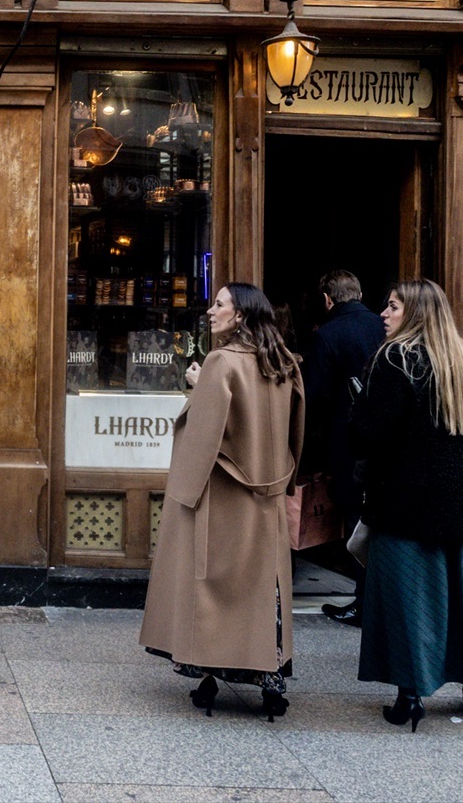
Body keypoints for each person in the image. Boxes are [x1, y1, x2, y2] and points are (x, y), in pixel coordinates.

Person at [140, 283, 307, 721]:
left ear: (240, 316)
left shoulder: (220, 362)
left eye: (220, 304)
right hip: (268, 494)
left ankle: (212, 670)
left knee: (214, 589)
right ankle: (271, 679)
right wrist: (286, 480)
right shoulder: (285, 363)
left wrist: (198, 386)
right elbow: (298, 431)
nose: (211, 310)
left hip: (224, 495)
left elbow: (203, 437)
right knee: (264, 589)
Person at [350, 278, 463, 731]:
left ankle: (410, 695)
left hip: (407, 504)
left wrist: (359, 412)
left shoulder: (396, 359)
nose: (384, 314)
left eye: (393, 306)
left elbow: (370, 433)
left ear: (415, 313)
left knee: (407, 599)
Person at [300, 269, 386, 625]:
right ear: (360, 292)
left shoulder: (328, 335)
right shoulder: (385, 326)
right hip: (386, 441)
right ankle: (381, 600)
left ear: (327, 299)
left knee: (355, 520)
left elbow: (313, 397)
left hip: (347, 441)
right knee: (380, 520)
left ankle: (364, 602)